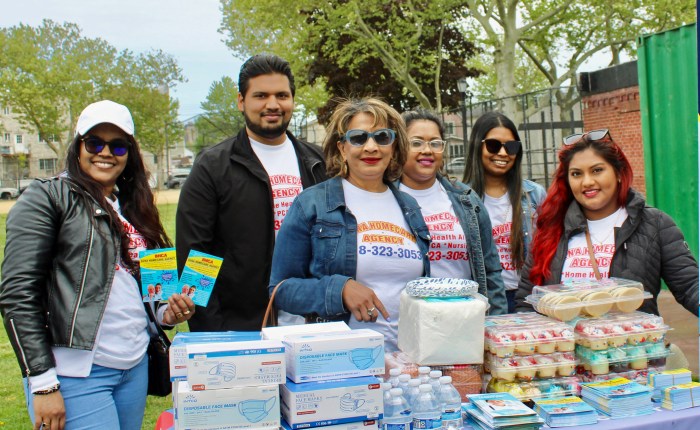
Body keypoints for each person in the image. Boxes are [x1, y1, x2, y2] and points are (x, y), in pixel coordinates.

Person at [0, 100, 195, 430]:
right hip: (75, 375)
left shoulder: (133, 206)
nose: (106, 152)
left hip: (133, 367)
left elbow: (144, 291)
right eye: (95, 143)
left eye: (118, 145)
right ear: (78, 146)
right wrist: (43, 383)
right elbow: (18, 295)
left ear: (129, 153)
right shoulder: (48, 197)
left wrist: (167, 312)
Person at [177, 54, 327, 331]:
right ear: (241, 101)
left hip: (313, 326)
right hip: (242, 329)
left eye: (282, 95)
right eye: (261, 95)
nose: (272, 104)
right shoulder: (213, 166)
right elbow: (197, 256)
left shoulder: (318, 162)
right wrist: (213, 331)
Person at [269, 98, 431, 351]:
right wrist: (339, 289)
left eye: (381, 137)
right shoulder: (311, 204)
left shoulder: (409, 207)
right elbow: (280, 289)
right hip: (338, 359)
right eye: (358, 138)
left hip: (407, 360)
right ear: (342, 148)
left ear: (394, 145)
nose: (371, 147)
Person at [515, 129, 699, 317]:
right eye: (576, 174)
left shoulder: (655, 224)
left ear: (619, 172)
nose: (587, 182)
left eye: (597, 170)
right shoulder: (551, 228)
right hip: (564, 345)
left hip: (631, 344)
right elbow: (526, 300)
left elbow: (690, 286)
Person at [397, 109, 507, 314]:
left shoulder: (466, 199)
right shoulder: (387, 199)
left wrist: (496, 321)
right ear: (400, 148)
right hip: (408, 319)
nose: (427, 150)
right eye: (417, 142)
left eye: (435, 143)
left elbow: (490, 268)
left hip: (464, 319)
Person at [463, 112, 546, 313]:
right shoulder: (461, 199)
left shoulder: (534, 195)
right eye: (493, 145)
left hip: (528, 297)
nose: (502, 153)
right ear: (477, 146)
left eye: (511, 146)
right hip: (482, 298)